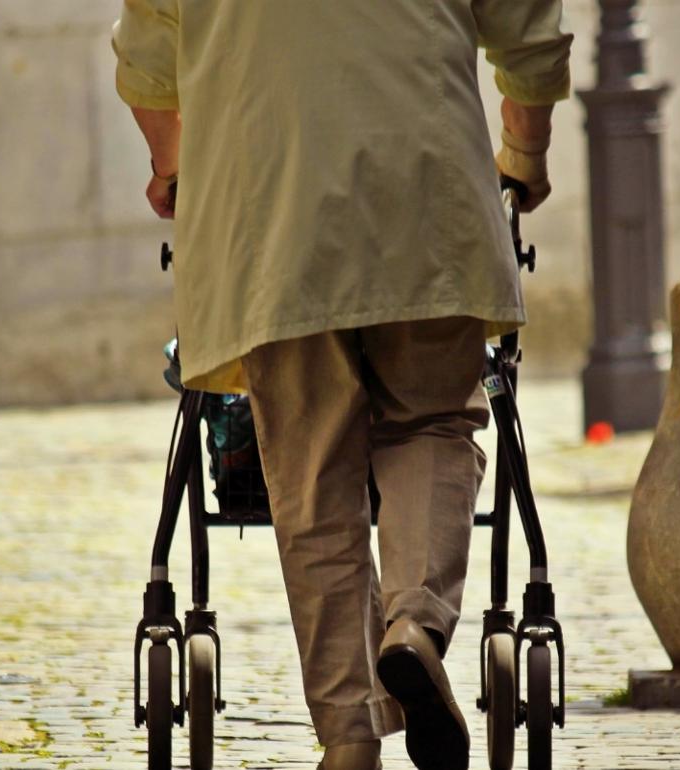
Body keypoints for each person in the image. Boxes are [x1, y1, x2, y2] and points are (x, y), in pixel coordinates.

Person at [111, 3, 572, 769]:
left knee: (312, 467)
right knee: (431, 422)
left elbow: (149, 66)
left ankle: (349, 736)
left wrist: (175, 170)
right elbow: (529, 28)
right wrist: (526, 151)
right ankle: (415, 626)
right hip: (427, 188)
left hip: (269, 210)